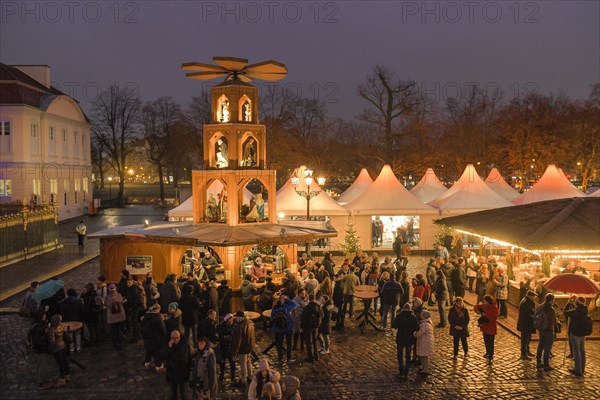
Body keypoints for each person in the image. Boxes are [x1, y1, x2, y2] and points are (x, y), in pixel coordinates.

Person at [564, 296, 590, 377]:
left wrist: (568, 303)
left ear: (577, 303)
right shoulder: (585, 310)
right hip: (583, 334)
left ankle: (577, 370)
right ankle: (582, 368)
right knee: (582, 350)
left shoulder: (575, 311)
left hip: (575, 333)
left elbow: (565, 312)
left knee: (576, 351)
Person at [392, 303, 419, 378]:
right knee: (408, 355)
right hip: (409, 339)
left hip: (401, 338)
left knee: (400, 355)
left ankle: (401, 370)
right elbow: (417, 327)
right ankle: (406, 371)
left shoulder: (399, 316)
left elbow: (394, 325)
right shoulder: (413, 317)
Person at [231, 311, 256, 386]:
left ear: (239, 317)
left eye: (236, 317)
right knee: (248, 362)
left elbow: (237, 341)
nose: (235, 319)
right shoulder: (250, 322)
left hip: (243, 348)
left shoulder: (239, 326)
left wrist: (235, 353)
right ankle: (250, 376)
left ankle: (243, 380)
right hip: (249, 346)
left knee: (243, 364)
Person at [165, 330, 190, 400]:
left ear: (180, 337)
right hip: (172, 373)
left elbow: (189, 358)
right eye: (173, 338)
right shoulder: (168, 344)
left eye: (177, 338)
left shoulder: (185, 344)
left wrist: (188, 372)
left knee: (184, 393)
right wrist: (169, 347)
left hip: (182, 373)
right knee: (173, 394)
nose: (175, 340)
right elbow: (163, 356)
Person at [270, 295, 296, 364]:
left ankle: (280, 359)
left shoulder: (274, 310)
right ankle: (289, 358)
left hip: (278, 329)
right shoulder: (287, 308)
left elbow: (272, 318)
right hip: (288, 328)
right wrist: (287, 299)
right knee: (289, 343)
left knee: (279, 343)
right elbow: (294, 304)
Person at [535, 293, 558, 371]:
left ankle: (538, 362)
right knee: (547, 348)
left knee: (540, 345)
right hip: (549, 330)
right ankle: (546, 364)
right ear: (551, 300)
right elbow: (554, 322)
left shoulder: (540, 306)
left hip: (541, 329)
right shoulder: (551, 309)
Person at [474, 295, 499, 365]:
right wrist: (477, 311)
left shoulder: (494, 308)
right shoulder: (485, 306)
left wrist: (485, 315)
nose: (484, 302)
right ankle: (488, 353)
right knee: (486, 341)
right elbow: (476, 306)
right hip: (485, 327)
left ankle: (490, 356)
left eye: (485, 301)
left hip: (491, 328)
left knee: (490, 343)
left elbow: (493, 318)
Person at [141, 303, 166, 371]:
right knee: (157, 352)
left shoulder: (146, 316)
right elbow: (162, 329)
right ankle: (159, 367)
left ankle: (147, 363)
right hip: (156, 338)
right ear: (158, 309)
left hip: (147, 338)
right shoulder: (157, 317)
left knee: (148, 350)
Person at [47, 314, 70, 387]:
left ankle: (62, 379)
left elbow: (52, 342)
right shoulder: (61, 326)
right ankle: (67, 376)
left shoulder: (52, 330)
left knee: (61, 364)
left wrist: (50, 350)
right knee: (65, 362)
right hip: (63, 346)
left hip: (57, 349)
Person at [301, 294, 323, 363]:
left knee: (309, 342)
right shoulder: (319, 307)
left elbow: (303, 318)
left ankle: (311, 357)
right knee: (315, 341)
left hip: (308, 327)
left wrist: (302, 327)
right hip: (316, 326)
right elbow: (322, 316)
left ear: (309, 299)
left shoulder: (307, 307)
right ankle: (316, 356)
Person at [60, 288, 84, 353]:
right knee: (77, 334)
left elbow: (62, 313)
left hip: (68, 321)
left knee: (69, 335)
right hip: (77, 320)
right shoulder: (78, 301)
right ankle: (78, 348)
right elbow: (82, 311)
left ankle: (71, 349)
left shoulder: (64, 302)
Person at [179, 284, 202, 349]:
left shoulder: (182, 297)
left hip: (185, 317)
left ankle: (186, 347)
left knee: (186, 333)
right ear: (192, 291)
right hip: (193, 317)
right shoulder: (194, 298)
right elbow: (198, 306)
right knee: (194, 333)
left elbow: (179, 306)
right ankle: (195, 346)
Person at [517, 290, 537, 360]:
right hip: (525, 324)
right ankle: (524, 354)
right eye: (533, 296)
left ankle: (527, 351)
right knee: (524, 339)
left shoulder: (528, 302)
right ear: (529, 296)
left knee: (528, 338)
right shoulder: (525, 303)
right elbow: (526, 315)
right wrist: (534, 317)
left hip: (528, 324)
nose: (534, 297)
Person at [105, 284, 126, 351]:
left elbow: (106, 304)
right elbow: (122, 302)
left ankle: (115, 344)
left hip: (112, 317)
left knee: (114, 331)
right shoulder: (119, 295)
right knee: (118, 330)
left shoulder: (108, 297)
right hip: (120, 316)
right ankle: (120, 345)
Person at [413, 310, 434, 376]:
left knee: (424, 356)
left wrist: (414, 333)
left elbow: (419, 334)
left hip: (424, 342)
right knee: (423, 355)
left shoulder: (424, 325)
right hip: (425, 341)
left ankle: (425, 369)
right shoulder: (428, 323)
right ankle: (423, 366)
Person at [217, 313, 236, 382]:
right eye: (230, 320)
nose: (232, 321)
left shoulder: (233, 325)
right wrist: (225, 337)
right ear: (227, 320)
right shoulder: (221, 326)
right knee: (222, 363)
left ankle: (233, 376)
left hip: (230, 348)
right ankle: (221, 375)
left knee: (232, 363)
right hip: (223, 348)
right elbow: (220, 337)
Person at [563, 294, 577, 359]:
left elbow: (574, 311)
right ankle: (572, 353)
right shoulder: (569, 305)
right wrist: (568, 303)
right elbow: (565, 311)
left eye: (574, 299)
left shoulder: (577, 307)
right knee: (570, 341)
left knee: (575, 341)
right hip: (569, 325)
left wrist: (573, 304)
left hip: (574, 326)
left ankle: (575, 354)